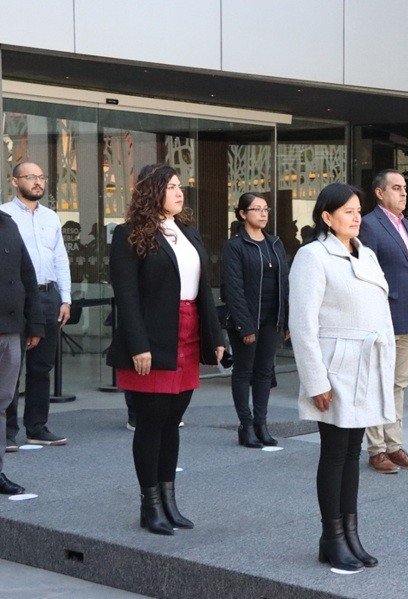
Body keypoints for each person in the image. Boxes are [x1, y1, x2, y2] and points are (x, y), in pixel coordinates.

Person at [107, 164, 226, 535]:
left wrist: (217, 336)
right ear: (152, 191)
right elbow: (125, 296)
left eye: (180, 186)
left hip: (188, 330)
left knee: (173, 420)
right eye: (172, 187)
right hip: (152, 336)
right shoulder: (129, 234)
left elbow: (203, 289)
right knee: (151, 421)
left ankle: (170, 500)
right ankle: (150, 506)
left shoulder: (187, 231)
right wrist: (139, 345)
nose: (179, 192)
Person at [290, 183, 395, 572]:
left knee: (353, 455)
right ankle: (332, 536)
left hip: (365, 367)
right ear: (326, 217)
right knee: (335, 454)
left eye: (357, 210)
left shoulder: (365, 254)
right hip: (335, 368)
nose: (356, 216)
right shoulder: (312, 256)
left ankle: (350, 533)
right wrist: (316, 380)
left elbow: (379, 310)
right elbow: (303, 324)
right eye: (347, 211)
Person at [357, 170, 408, 474]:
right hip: (383, 316)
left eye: (404, 188)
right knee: (378, 384)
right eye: (396, 188)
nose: (403, 193)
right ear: (379, 192)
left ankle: (394, 445)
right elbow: (365, 274)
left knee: (399, 385)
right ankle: (376, 450)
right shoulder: (369, 226)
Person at [1, 162, 71, 449]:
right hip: (16, 297)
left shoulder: (52, 217)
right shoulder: (4, 215)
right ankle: (7, 433)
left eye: (42, 177)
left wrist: (65, 297)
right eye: (31, 177)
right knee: (11, 367)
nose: (38, 182)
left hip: (48, 295)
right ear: (15, 181)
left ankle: (37, 426)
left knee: (42, 366)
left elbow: (60, 258)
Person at [221, 193, 290, 448]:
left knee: (264, 371)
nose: (263, 214)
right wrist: (244, 325)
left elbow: (285, 283)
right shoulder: (235, 245)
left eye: (266, 209)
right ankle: (246, 425)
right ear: (242, 214)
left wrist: (286, 320)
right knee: (243, 371)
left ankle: (262, 424)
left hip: (272, 319)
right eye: (256, 209)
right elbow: (233, 289)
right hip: (247, 320)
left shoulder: (275, 243)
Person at [0, 210, 44, 493]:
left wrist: (35, 323)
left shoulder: (7, 224)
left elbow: (27, 276)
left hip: (12, 331)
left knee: (2, 403)